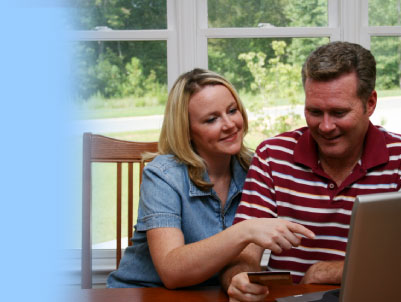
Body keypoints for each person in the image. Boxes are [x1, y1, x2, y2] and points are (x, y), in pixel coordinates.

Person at [220, 42, 401, 301]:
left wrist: (332, 271)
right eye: (314, 111)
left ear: (370, 103)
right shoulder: (272, 156)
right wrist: (240, 278)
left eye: (338, 112)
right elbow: (244, 250)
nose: (325, 126)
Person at [106, 68, 314, 288]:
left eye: (232, 111)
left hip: (211, 295)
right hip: (144, 294)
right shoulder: (163, 176)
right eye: (211, 119)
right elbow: (171, 272)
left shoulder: (258, 167)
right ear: (186, 130)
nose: (229, 124)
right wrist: (245, 230)